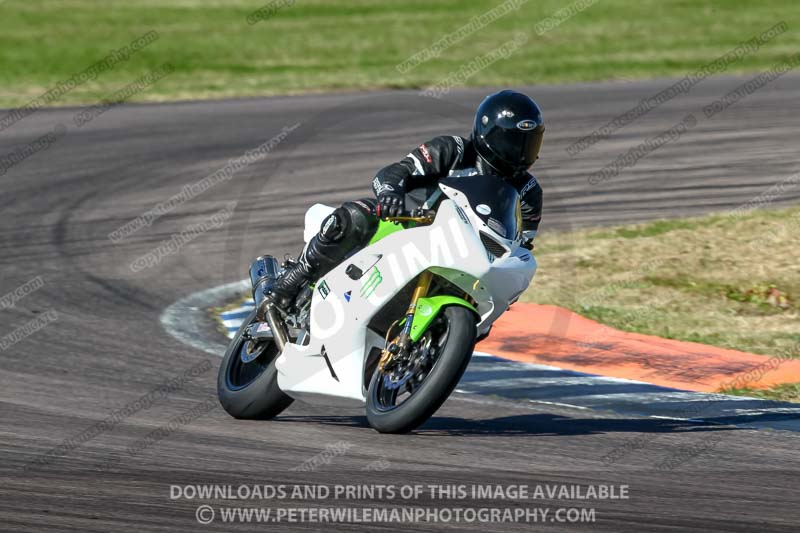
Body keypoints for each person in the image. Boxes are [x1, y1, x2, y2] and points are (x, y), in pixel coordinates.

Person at [267, 89, 545, 310]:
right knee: (353, 217)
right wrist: (390, 194)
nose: (521, 153)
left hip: (464, 258)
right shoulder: (454, 150)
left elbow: (522, 246)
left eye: (530, 143)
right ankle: (292, 281)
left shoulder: (528, 191)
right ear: (490, 135)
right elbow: (397, 171)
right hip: (407, 226)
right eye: (513, 142)